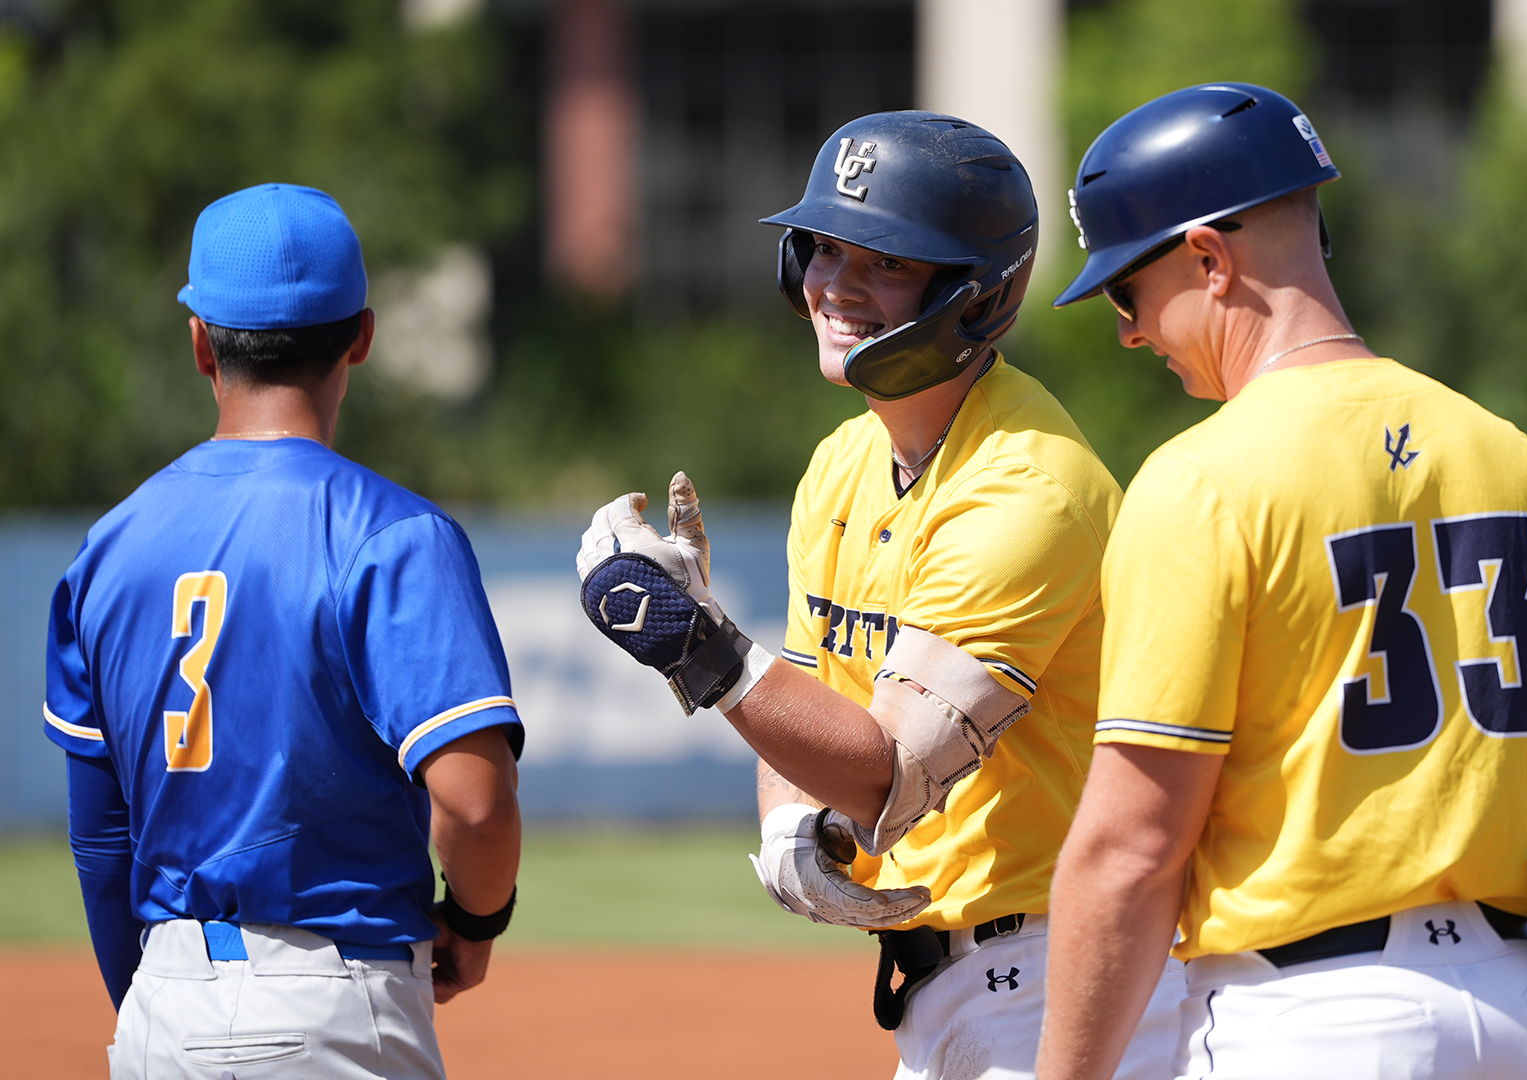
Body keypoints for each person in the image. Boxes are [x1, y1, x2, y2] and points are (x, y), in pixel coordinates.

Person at [574, 112, 1182, 1079]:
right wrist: (785, 827)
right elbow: (813, 686)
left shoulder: (1028, 485)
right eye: (822, 248)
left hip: (1062, 978)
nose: (834, 285)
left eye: (886, 263)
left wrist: (702, 646)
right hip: (961, 987)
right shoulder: (843, 462)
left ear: (974, 295)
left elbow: (888, 771)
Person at [1033, 83, 1527, 1080]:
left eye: (1128, 291)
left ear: (1210, 259)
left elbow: (1131, 848)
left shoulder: (1203, 482)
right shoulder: (1515, 460)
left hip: (1312, 1023)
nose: (1129, 330)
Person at [44, 183, 524, 1080]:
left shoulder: (108, 548)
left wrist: (154, 1001)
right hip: (331, 1000)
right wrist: (476, 922)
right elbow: (475, 803)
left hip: (162, 1007)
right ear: (364, 337)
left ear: (199, 343)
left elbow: (102, 838)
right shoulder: (393, 537)